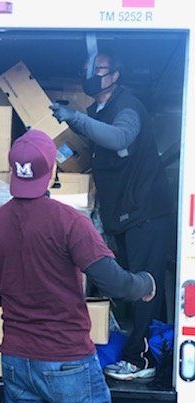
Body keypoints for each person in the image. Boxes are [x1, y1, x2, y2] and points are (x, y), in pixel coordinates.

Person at [0, 129, 156, 403]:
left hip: (16, 362)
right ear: (53, 173)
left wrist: (18, 287)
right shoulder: (70, 222)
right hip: (67, 361)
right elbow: (115, 283)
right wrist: (146, 284)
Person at [50, 51, 171, 381]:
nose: (91, 74)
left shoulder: (127, 105)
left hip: (145, 211)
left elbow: (119, 137)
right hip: (123, 213)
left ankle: (141, 358)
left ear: (115, 75)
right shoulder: (98, 109)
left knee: (146, 284)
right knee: (128, 283)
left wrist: (73, 117)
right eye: (86, 68)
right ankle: (131, 344)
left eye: (99, 69)